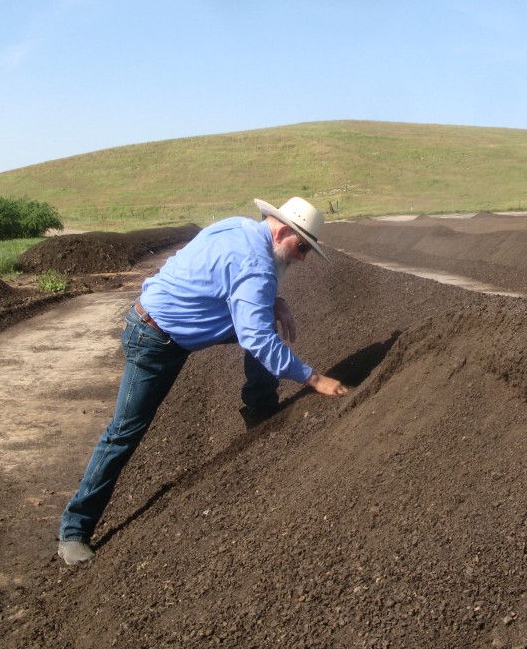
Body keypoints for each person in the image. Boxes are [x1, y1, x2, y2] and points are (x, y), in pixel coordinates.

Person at [57, 197, 350, 565]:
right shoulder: (256, 265)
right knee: (124, 432)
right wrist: (313, 379)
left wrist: (276, 301)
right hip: (153, 339)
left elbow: (236, 284)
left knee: (262, 324)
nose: (303, 257)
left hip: (175, 323)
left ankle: (261, 409)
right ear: (282, 229)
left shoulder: (240, 227)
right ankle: (75, 528)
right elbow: (255, 333)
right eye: (302, 247)